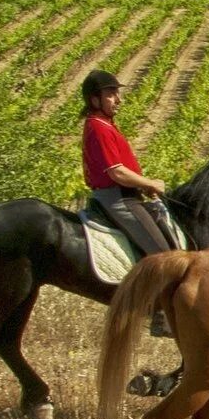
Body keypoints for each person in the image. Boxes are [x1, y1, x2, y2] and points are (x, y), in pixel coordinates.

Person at [81, 69, 175, 336]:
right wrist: (149, 183)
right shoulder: (98, 128)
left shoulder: (105, 125)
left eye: (116, 93)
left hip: (126, 195)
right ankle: (160, 315)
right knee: (164, 254)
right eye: (111, 94)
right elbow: (117, 172)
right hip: (118, 199)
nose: (118, 99)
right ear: (94, 99)